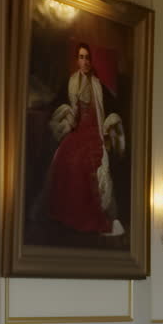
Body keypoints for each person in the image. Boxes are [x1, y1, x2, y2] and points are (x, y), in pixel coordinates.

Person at [48, 43, 125, 236]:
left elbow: (113, 107)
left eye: (88, 57)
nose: (85, 61)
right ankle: (66, 216)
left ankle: (91, 218)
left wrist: (108, 127)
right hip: (76, 131)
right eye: (81, 57)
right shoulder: (71, 82)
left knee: (85, 162)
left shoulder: (99, 86)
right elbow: (57, 104)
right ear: (77, 60)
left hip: (94, 132)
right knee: (63, 157)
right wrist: (67, 116)